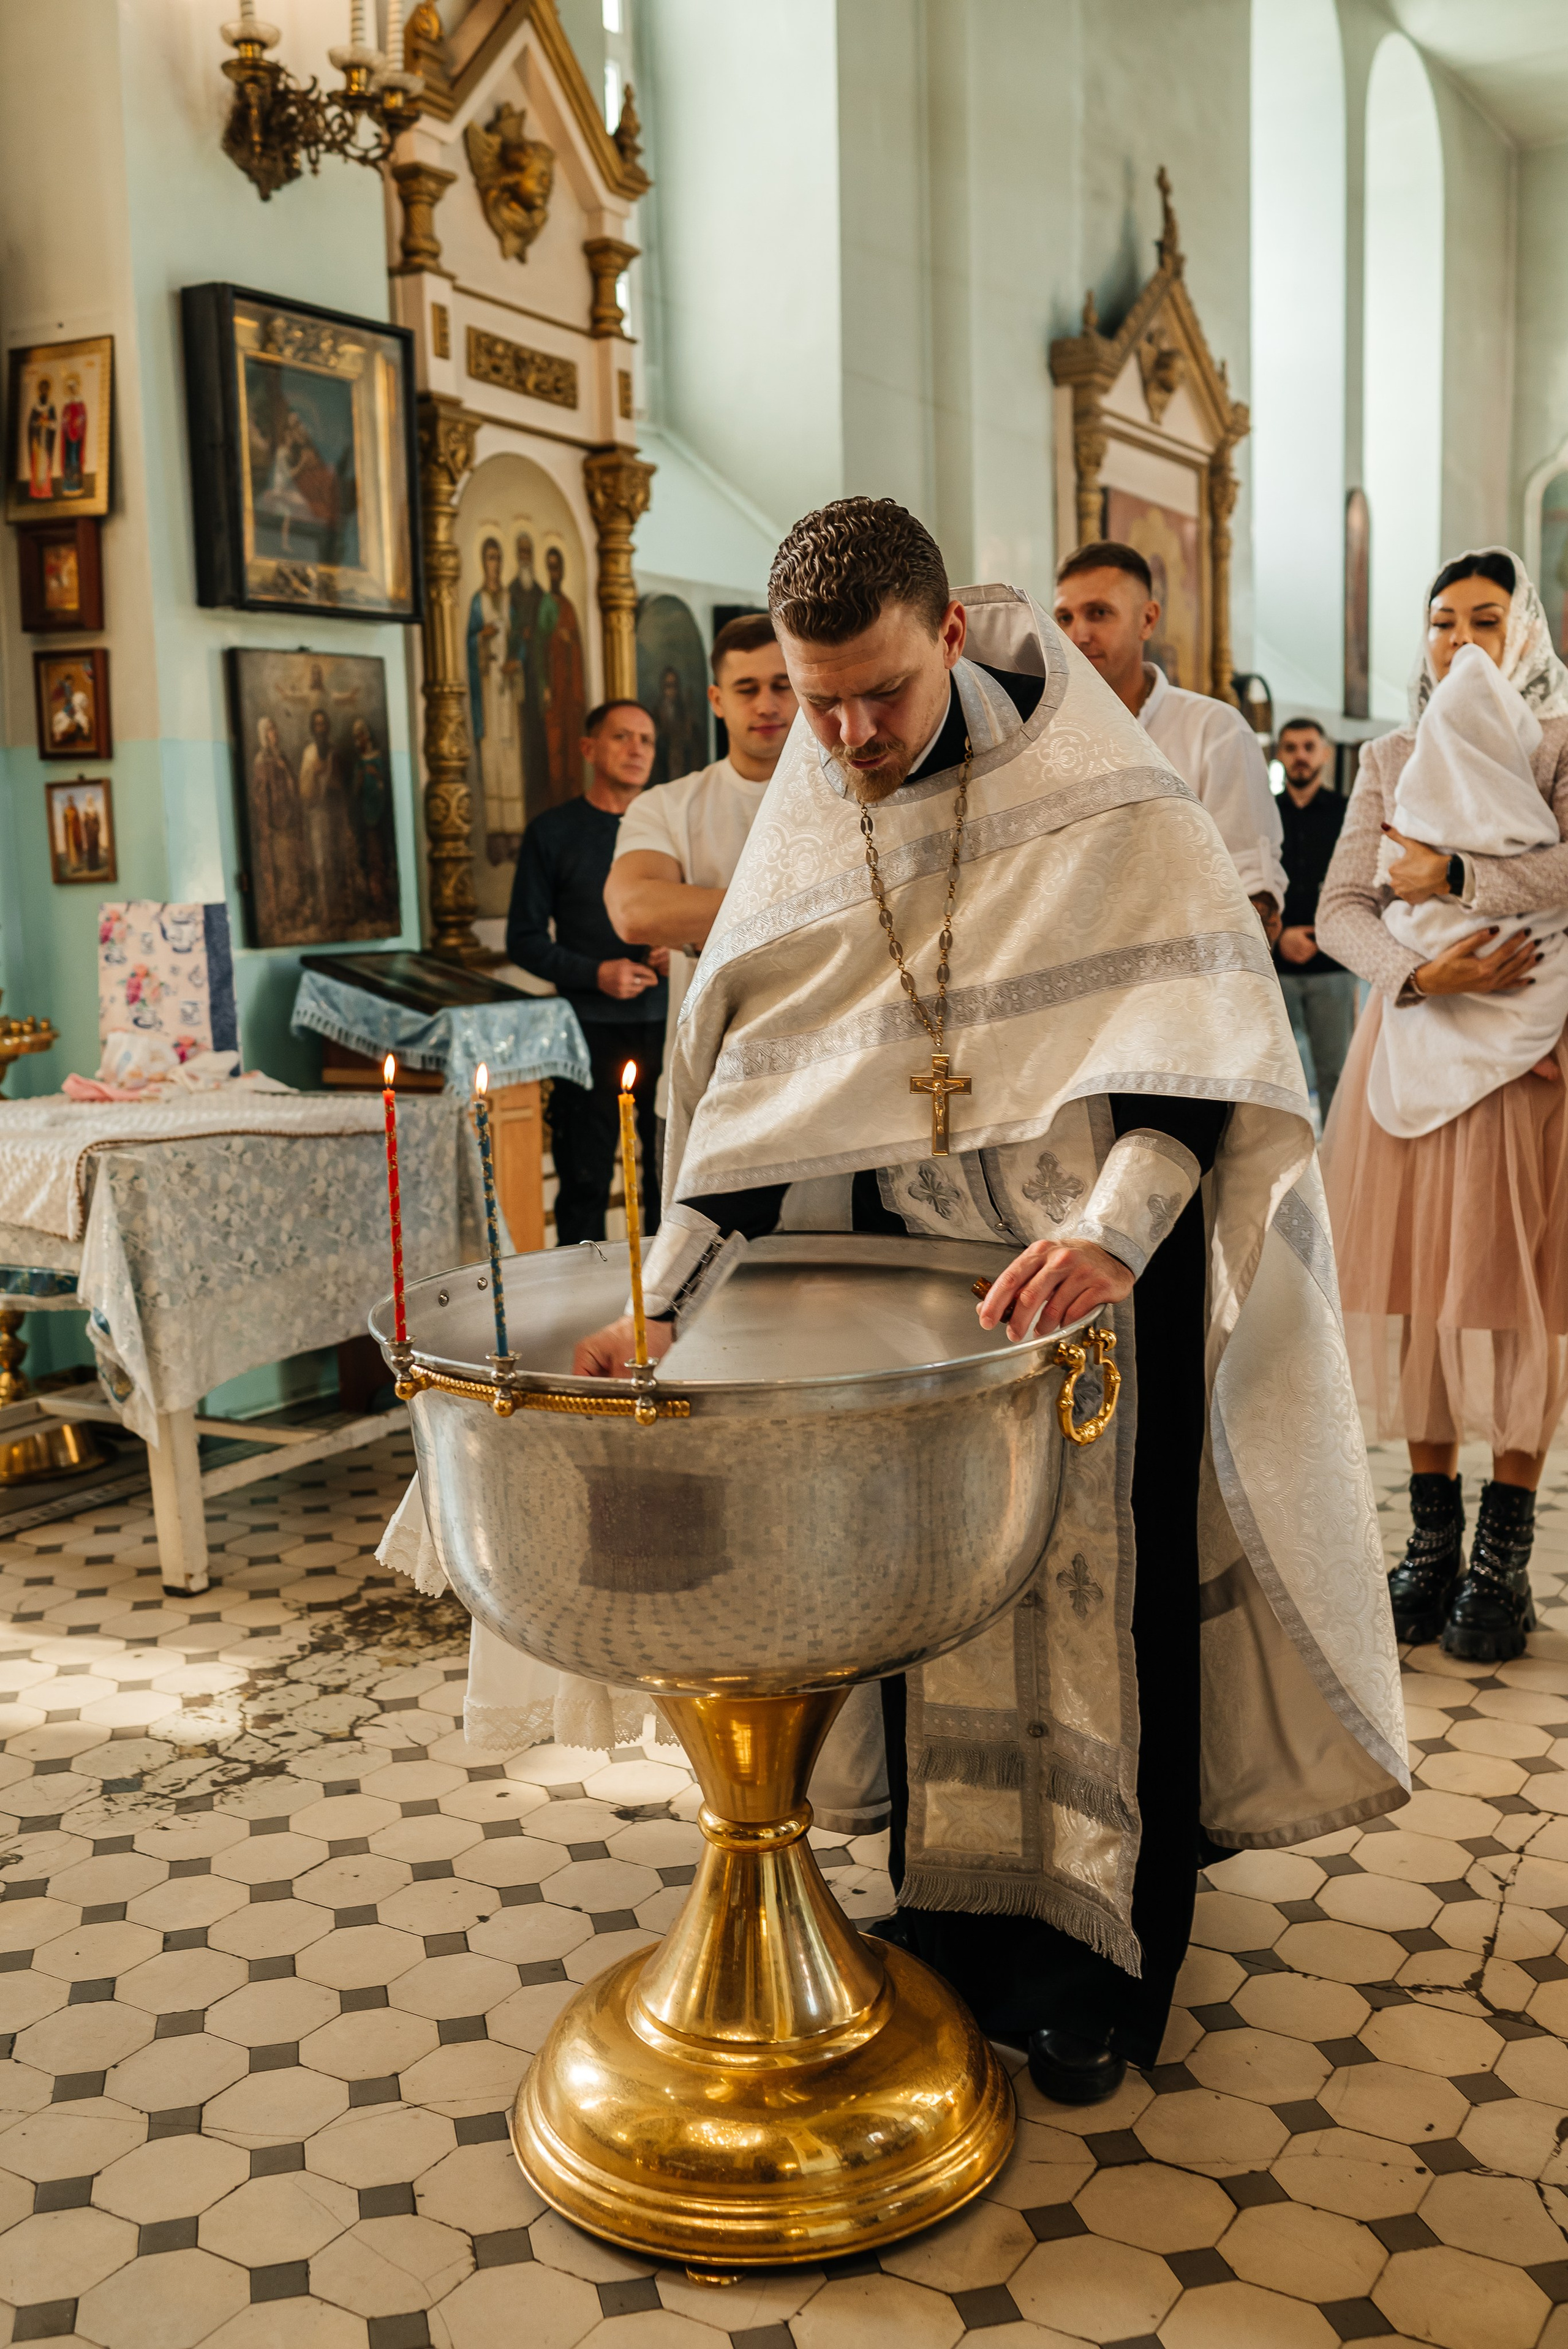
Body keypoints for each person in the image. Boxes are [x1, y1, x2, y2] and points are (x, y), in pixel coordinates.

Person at [570, 497, 1407, 2107]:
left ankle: (1107, 1962)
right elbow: (759, 1087)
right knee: (928, 1607)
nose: (848, 733)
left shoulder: (1117, 802)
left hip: (1097, 1289)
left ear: (953, 628)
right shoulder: (822, 803)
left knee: (1108, 1616)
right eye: (815, 701)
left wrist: (1111, 1235)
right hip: (912, 1306)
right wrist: (664, 1294)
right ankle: (951, 1926)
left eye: (878, 690)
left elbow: (1212, 1059)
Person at [1316, 546, 1568, 1665]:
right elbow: (1339, 907)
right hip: (1413, 1045)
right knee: (1419, 1292)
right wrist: (1422, 973)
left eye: (1485, 619)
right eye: (1441, 623)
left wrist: (1459, 885)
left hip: (1530, 1061)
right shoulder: (1392, 755)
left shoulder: (1561, 742)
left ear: (1524, 632)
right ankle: (1429, 1543)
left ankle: (1503, 1562)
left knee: (1518, 1300)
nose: (1460, 641)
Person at [605, 614, 797, 1129]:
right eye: (747, 688)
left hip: (819, 1079)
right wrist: (816, 908)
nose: (766, 704)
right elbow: (635, 911)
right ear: (716, 700)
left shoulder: (851, 797)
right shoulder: (667, 805)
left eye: (782, 685)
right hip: (705, 1082)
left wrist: (698, 920)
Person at [1053, 540, 1287, 937]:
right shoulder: (1047, 738)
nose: (1079, 634)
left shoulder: (1214, 729)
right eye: (1064, 617)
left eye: (1099, 613)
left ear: (1147, 619)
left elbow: (1252, 894)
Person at [506, 699, 668, 1243]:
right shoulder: (553, 832)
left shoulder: (670, 825)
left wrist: (684, 946)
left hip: (669, 1025)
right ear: (588, 749)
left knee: (671, 1175)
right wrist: (595, 972)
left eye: (646, 740)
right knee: (585, 1178)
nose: (637, 750)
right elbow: (523, 939)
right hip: (587, 1030)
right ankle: (581, 1309)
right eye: (622, 737)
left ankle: (667, 1303)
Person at [1274, 717, 1355, 1121]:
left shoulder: (1348, 814)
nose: (1300, 756)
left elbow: (1362, 884)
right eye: (1291, 747)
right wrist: (1280, 935)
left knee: (1336, 1072)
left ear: (1324, 753)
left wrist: (1327, 935)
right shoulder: (1264, 812)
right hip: (1274, 965)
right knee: (1277, 1074)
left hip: (1334, 964)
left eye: (1309, 747)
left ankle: (1338, 1165)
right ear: (1279, 754)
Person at [466, 535, 525, 863]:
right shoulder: (478, 601)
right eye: (489, 558)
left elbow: (519, 640)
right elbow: (467, 642)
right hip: (488, 691)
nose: (495, 563)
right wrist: (481, 638)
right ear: (483, 562)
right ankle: (496, 834)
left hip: (507, 688)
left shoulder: (507, 599)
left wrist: (518, 659)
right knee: (491, 753)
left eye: (498, 557)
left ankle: (515, 832)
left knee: (510, 754)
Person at [506, 532, 553, 824]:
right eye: (520, 551)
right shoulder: (510, 591)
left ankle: (540, 792)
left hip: (538, 674)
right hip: (518, 674)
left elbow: (547, 636)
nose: (524, 556)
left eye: (528, 551)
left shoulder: (539, 594)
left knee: (539, 733)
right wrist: (517, 637)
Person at [543, 543, 587, 804]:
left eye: (557, 567)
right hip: (555, 687)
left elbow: (577, 644)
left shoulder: (568, 605)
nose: (554, 573)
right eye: (550, 568)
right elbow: (539, 645)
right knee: (556, 747)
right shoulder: (546, 605)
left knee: (573, 749)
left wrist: (570, 641)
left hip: (571, 689)